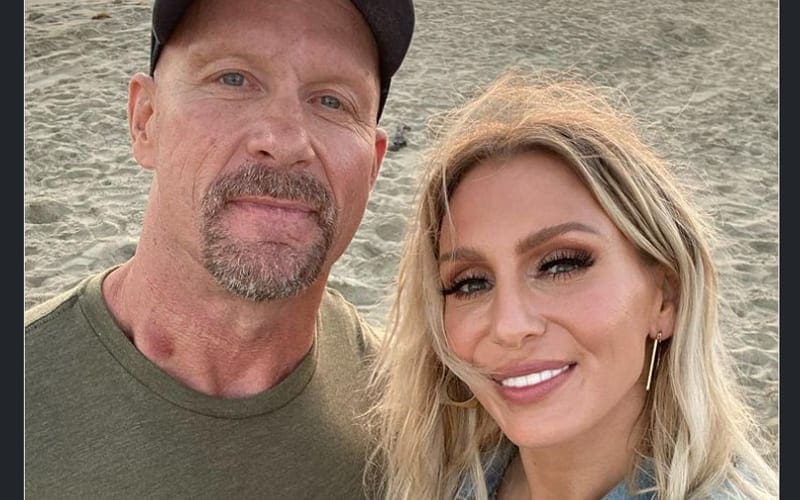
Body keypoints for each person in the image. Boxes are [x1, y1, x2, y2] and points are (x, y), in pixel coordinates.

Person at [24, 0, 413, 497]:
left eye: (333, 101)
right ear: (145, 120)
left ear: (373, 166)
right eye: (233, 79)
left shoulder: (408, 414)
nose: (285, 141)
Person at [366, 70, 779, 499]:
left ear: (665, 298)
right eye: (470, 284)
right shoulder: (444, 480)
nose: (509, 326)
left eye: (561, 265)